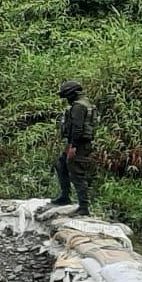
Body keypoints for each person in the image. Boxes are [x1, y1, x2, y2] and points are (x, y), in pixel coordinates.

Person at [52, 80, 97, 215]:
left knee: (77, 173)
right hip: (75, 142)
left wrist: (73, 146)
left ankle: (84, 207)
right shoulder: (83, 103)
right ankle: (65, 196)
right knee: (61, 165)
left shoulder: (79, 106)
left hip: (79, 144)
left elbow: (77, 128)